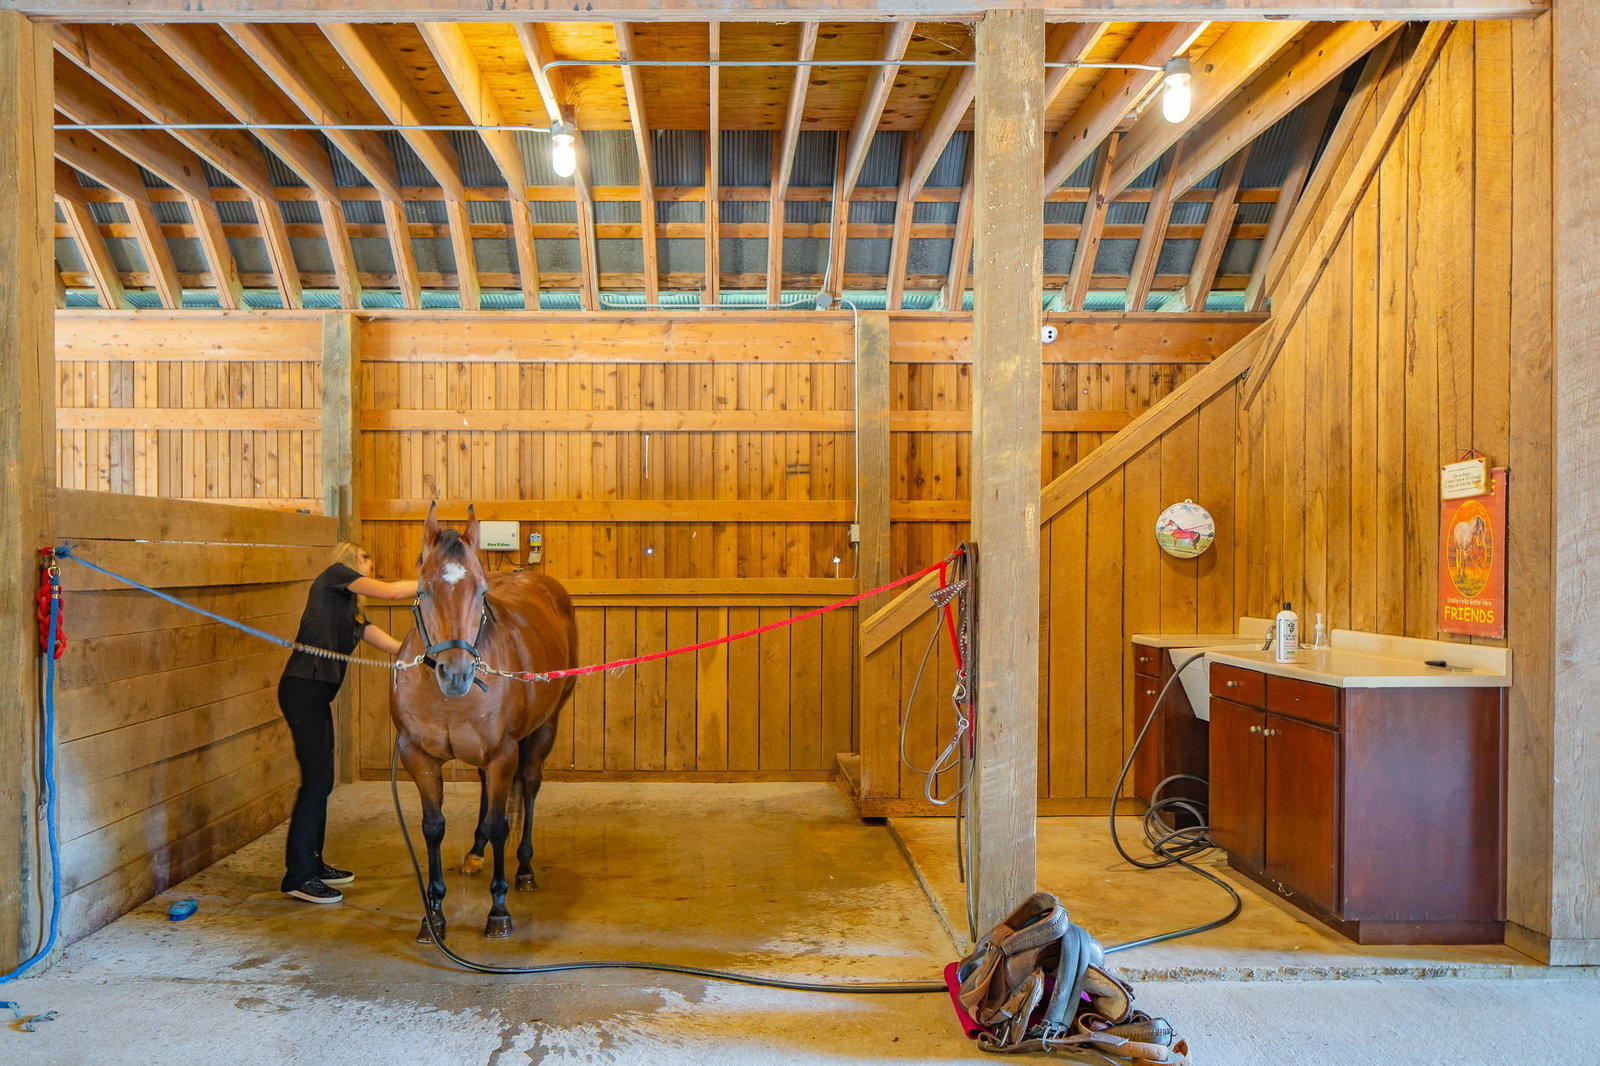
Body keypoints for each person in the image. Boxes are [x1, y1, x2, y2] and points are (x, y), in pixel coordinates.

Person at [277, 542, 416, 903]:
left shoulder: (350, 613)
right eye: (367, 558)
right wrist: (437, 581)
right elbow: (392, 592)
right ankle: (299, 876)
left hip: (314, 695)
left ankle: (313, 863)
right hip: (303, 689)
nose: (371, 564)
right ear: (352, 559)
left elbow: (392, 646)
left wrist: (426, 657)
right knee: (316, 782)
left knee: (322, 781)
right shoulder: (335, 575)